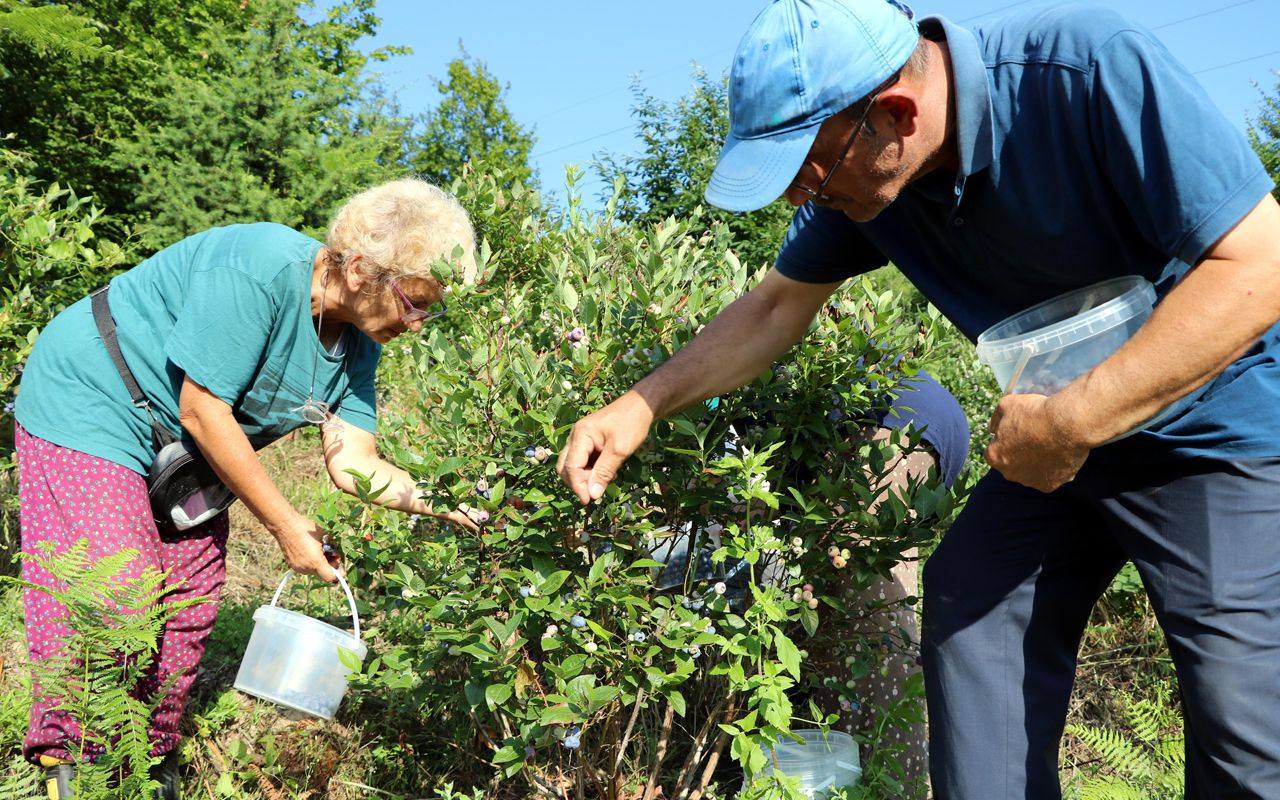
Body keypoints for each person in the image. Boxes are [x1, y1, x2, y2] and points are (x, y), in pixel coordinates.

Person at [566, 0, 1280, 796]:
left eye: (809, 170)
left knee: (1240, 717)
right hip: (1052, 436)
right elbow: (774, 306)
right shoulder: (873, 186)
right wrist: (641, 403)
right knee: (974, 599)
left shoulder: (1083, 69)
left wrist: (1074, 419)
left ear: (894, 114)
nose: (801, 197)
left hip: (1211, 427)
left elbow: (1260, 264)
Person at [14, 177, 479, 798]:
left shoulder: (360, 342)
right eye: (415, 302)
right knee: (116, 592)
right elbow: (203, 409)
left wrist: (448, 504)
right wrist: (286, 524)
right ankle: (69, 763)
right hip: (95, 395)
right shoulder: (258, 267)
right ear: (363, 268)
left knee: (188, 606)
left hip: (183, 454)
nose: (419, 324)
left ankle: (144, 767)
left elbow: (354, 462)